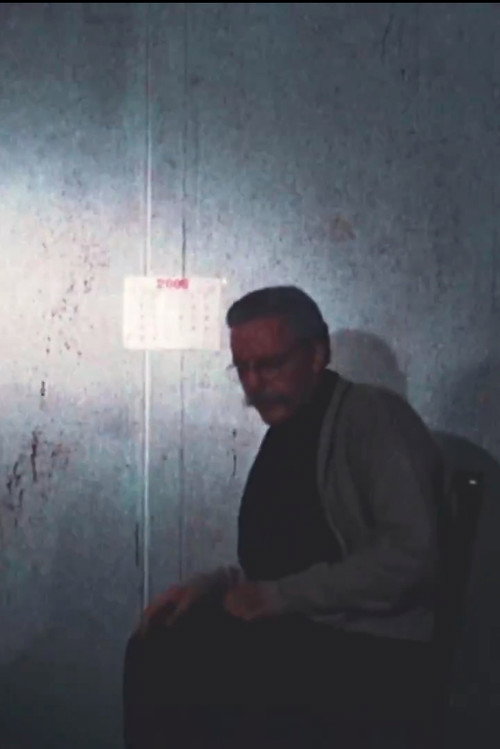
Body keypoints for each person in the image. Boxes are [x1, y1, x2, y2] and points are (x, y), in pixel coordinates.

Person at [123, 286, 443, 748]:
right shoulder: (290, 427)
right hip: (309, 630)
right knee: (160, 641)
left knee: (183, 666)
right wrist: (216, 585)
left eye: (270, 364)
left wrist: (275, 598)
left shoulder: (373, 418)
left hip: (370, 650)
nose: (254, 383)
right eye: (243, 368)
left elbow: (411, 558)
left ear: (317, 355)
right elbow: (287, 558)